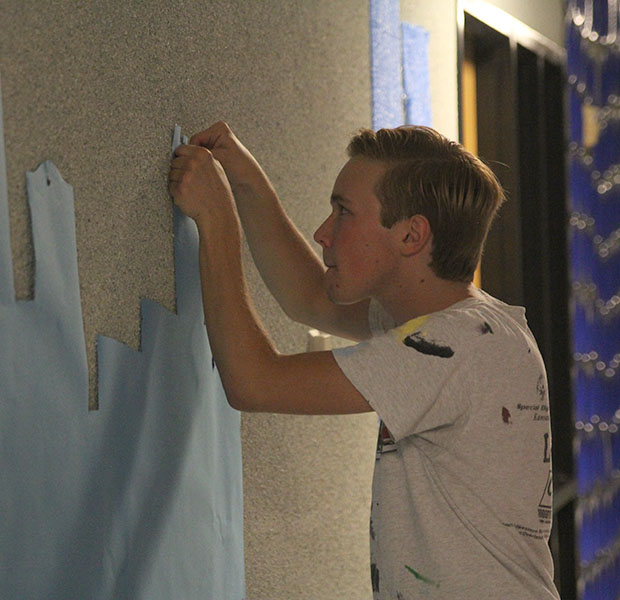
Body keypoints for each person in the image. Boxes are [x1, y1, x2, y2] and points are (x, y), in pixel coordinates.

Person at [168, 122, 559, 599]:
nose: (323, 232)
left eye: (344, 213)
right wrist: (247, 183)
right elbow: (310, 297)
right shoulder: (474, 326)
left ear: (412, 235)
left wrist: (216, 219)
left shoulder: (453, 346)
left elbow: (254, 381)